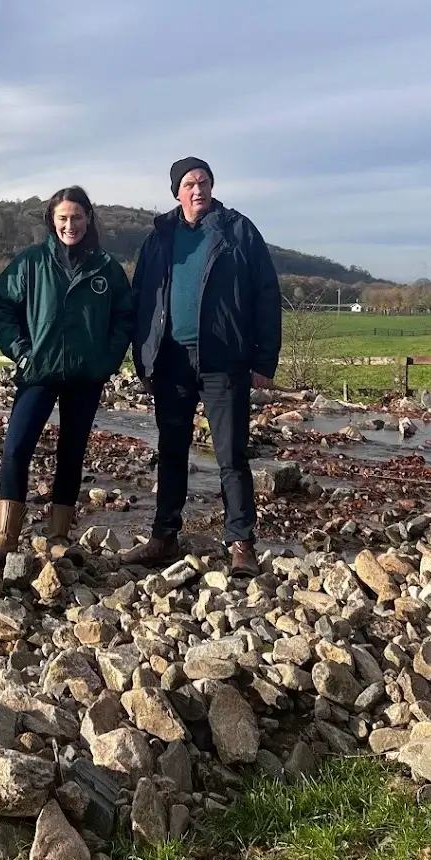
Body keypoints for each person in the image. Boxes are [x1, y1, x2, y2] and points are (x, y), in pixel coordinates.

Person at [128, 157, 281, 574]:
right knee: (171, 450)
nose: (198, 190)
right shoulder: (159, 236)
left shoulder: (237, 230)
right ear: (176, 191)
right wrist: (143, 357)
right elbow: (142, 296)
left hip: (223, 361)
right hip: (171, 360)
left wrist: (264, 358)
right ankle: (164, 537)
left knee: (231, 454)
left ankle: (240, 542)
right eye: (190, 183)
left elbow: (266, 294)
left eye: (205, 182)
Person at [0, 186, 134, 562]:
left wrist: (107, 360)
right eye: (63, 217)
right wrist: (20, 352)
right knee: (16, 448)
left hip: (86, 375)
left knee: (72, 453)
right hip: (38, 371)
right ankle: (6, 536)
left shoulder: (106, 268)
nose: (71, 224)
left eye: (78, 217)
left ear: (89, 219)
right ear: (52, 220)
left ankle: (58, 536)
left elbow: (125, 318)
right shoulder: (31, 262)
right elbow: (1, 307)